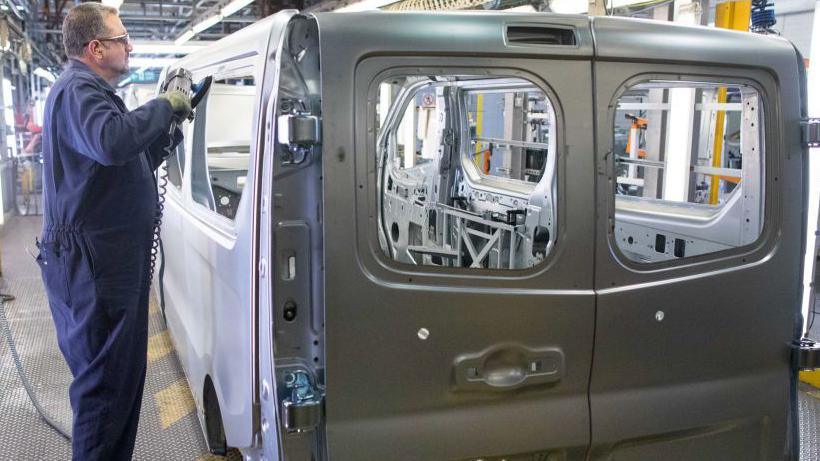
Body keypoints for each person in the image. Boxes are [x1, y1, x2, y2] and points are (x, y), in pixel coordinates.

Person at [37, 3, 191, 460]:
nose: (130, 46)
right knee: (105, 393)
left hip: (102, 261)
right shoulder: (79, 89)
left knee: (119, 386)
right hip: (95, 266)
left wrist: (167, 130)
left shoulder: (92, 93)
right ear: (96, 47)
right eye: (122, 38)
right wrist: (163, 104)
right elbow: (111, 142)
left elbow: (122, 161)